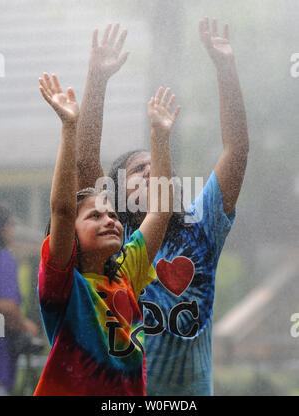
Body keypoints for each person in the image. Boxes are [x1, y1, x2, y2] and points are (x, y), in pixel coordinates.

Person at [77, 18, 249, 395]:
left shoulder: (201, 229)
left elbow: (236, 150)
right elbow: (85, 158)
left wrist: (225, 67)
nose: (153, 173)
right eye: (140, 170)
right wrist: (98, 80)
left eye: (159, 168)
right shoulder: (107, 242)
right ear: (117, 193)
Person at [34, 70, 180, 395]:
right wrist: (69, 127)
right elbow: (61, 208)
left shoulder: (127, 272)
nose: (110, 221)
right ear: (70, 232)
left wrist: (159, 136)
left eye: (112, 215)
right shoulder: (64, 284)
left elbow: (160, 210)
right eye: (95, 216)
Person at [0, 205, 39, 396]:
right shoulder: (4, 258)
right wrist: (25, 326)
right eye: (10, 225)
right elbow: (6, 307)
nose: (13, 231)